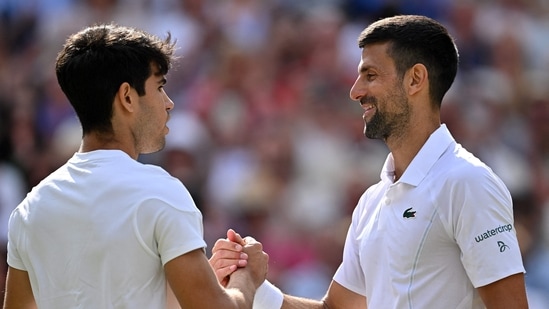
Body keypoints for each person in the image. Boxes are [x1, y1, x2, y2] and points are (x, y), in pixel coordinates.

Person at [210, 15, 529, 308]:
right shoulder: (371, 202)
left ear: (416, 79)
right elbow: (335, 308)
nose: (355, 91)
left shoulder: (468, 182)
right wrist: (254, 286)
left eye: (371, 75)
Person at [3, 23, 268, 309]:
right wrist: (247, 279)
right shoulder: (161, 191)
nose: (169, 104)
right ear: (127, 97)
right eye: (159, 87)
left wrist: (202, 283)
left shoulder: (29, 211)